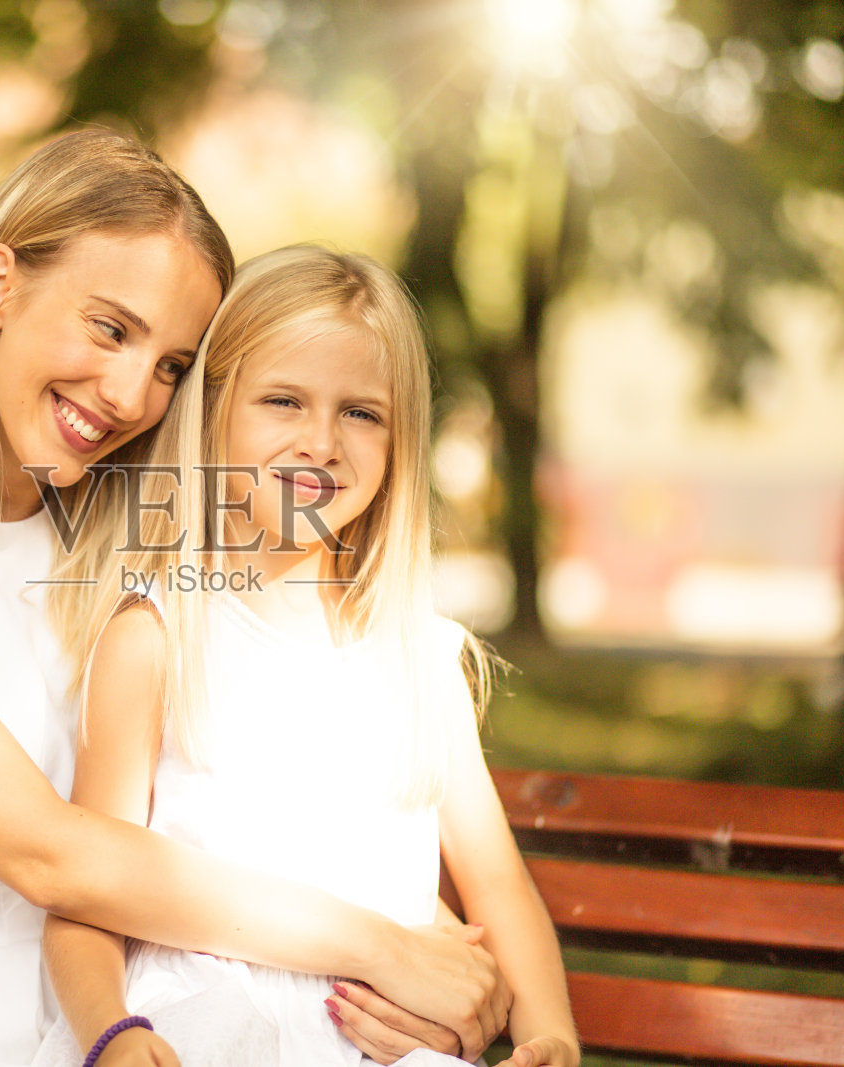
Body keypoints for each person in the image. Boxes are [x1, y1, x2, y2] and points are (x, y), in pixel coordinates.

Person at [0, 132, 510, 1066]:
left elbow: (264, 808)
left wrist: (444, 972)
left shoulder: (144, 555)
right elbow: (55, 857)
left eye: (174, 365)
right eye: (110, 329)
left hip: (199, 1012)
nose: (130, 393)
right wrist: (383, 948)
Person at [36, 246, 578, 1067]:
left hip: (380, 1043)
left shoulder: (420, 660)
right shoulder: (157, 639)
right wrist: (112, 1031)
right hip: (209, 1030)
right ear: (214, 413)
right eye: (283, 400)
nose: (320, 441)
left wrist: (553, 1037)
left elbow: (499, 885)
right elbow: (87, 893)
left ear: (400, 443)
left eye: (361, 413)